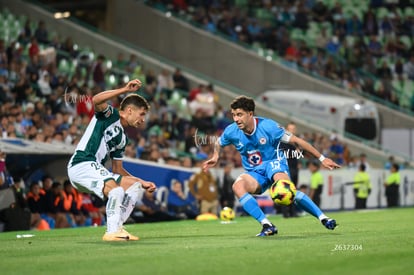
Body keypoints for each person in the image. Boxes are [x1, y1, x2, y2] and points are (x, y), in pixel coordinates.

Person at [203, 96, 340, 237]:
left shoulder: (269, 127)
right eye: (233, 115)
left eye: (240, 114)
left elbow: (296, 140)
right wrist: (215, 156)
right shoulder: (231, 131)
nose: (236, 119)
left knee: (285, 188)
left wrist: (322, 158)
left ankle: (324, 218)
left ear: (250, 114)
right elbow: (219, 142)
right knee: (237, 186)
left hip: (274, 163)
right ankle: (267, 225)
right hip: (254, 171)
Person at [67, 79, 157, 241]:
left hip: (92, 169)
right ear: (129, 110)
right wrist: (124, 89)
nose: (143, 119)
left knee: (133, 186)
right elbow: (95, 100)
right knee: (116, 191)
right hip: (82, 163)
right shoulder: (109, 114)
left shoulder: (122, 138)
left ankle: (118, 229)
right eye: (141, 114)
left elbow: (117, 170)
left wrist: (141, 181)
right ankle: (111, 232)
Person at [279, 122, 299, 218]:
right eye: (290, 129)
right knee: (286, 189)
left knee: (294, 189)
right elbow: (284, 154)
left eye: (293, 129)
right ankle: (285, 212)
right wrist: (295, 152)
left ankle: (292, 211)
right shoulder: (283, 142)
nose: (292, 131)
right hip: (287, 168)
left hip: (294, 168)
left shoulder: (294, 142)